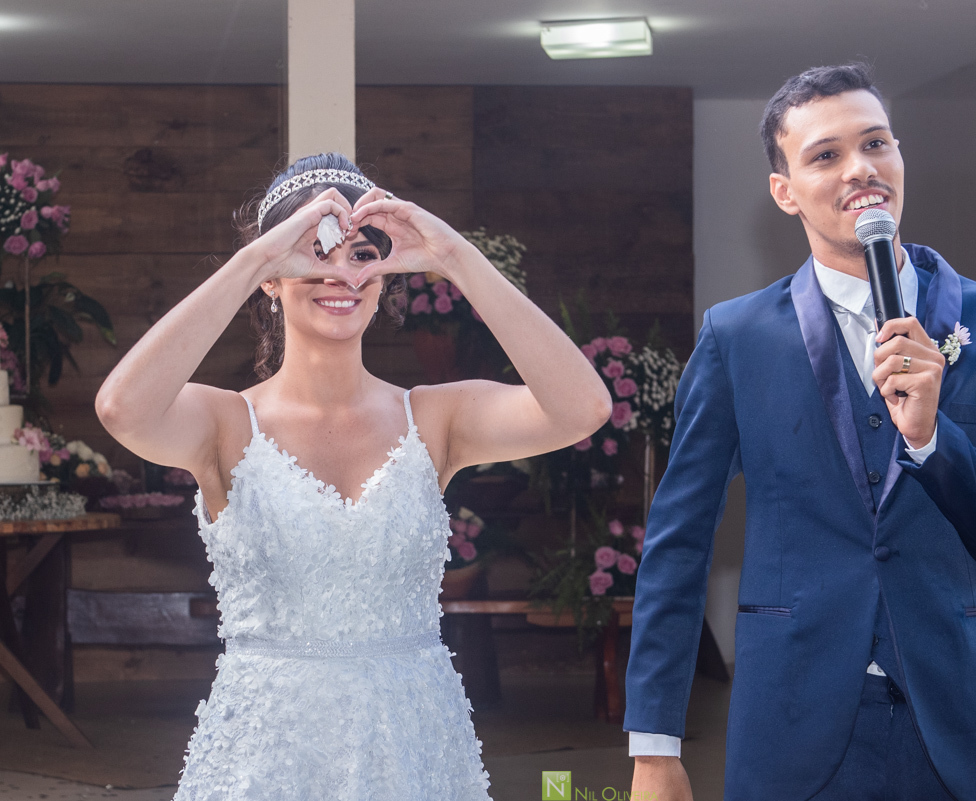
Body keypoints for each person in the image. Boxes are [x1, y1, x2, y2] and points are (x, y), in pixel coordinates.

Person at [94, 153, 611, 799]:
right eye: (312, 252)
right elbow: (122, 408)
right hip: (267, 754)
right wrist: (257, 257)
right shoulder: (224, 422)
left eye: (360, 254)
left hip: (414, 747)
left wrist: (454, 256)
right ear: (273, 277)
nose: (339, 271)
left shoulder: (434, 417)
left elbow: (583, 407)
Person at [625, 64, 976, 801]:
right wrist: (654, 745)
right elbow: (679, 540)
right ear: (785, 190)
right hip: (790, 724)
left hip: (957, 731)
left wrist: (932, 440)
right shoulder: (736, 338)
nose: (860, 168)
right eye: (826, 155)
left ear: (899, 155)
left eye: (876, 143)